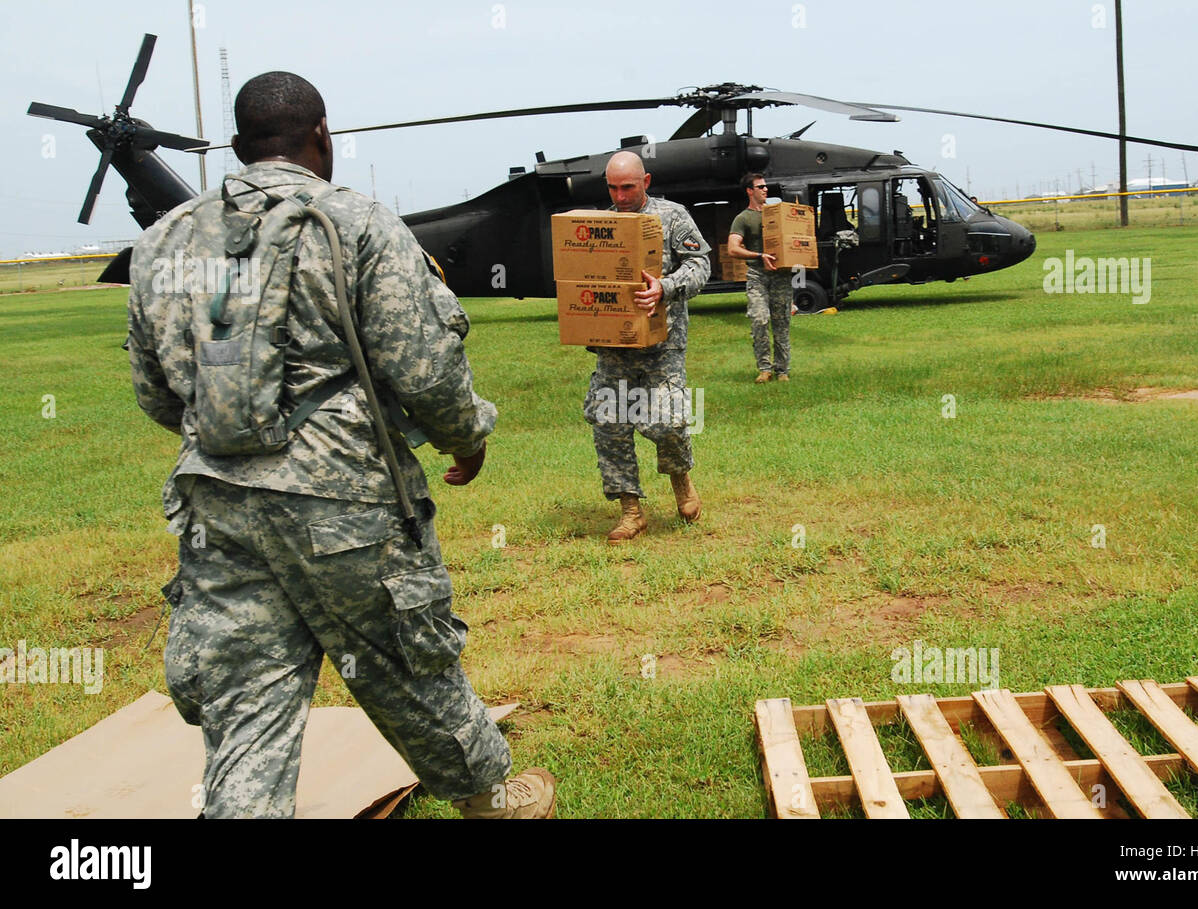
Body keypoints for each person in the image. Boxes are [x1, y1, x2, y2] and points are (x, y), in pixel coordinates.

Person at [126, 71, 554, 818]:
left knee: (245, 701)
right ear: (323, 136)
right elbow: (424, 366)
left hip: (218, 507)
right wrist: (466, 437)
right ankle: (495, 801)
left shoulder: (165, 238)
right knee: (409, 665)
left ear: (237, 147)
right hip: (345, 506)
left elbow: (158, 392)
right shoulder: (358, 224)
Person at [583, 151, 710, 543]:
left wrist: (665, 287)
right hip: (613, 348)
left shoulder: (672, 217)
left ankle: (680, 478)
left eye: (628, 187)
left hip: (663, 345)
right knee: (609, 423)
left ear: (646, 182)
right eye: (613, 188)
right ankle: (630, 510)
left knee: (669, 421)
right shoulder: (598, 227)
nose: (620, 197)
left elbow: (701, 263)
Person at [727, 173, 793, 383]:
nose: (765, 190)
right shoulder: (743, 218)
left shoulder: (775, 214)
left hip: (781, 276)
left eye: (766, 187)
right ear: (749, 190)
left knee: (782, 323)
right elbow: (732, 248)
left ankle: (782, 370)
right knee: (759, 319)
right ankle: (764, 369)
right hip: (757, 276)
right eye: (760, 187)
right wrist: (758, 255)